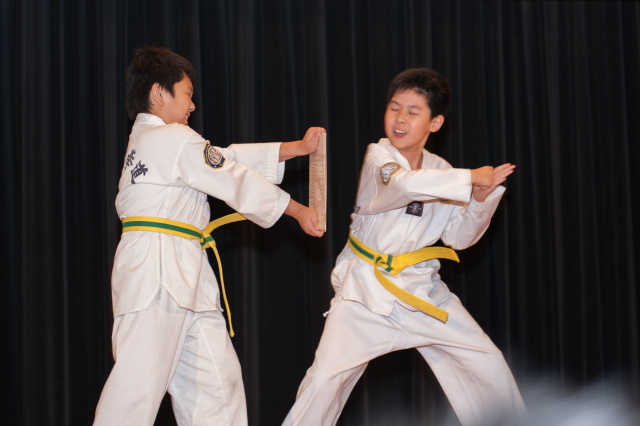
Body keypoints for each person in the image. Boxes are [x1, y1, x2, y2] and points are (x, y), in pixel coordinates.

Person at [94, 46, 324, 426]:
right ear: (159, 93)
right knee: (136, 390)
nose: (192, 105)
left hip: (183, 272)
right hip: (157, 272)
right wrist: (296, 210)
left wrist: (297, 149)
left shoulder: (158, 142)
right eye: (187, 94)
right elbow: (227, 173)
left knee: (218, 387)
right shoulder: (170, 139)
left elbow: (223, 159)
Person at [283, 68, 525, 426]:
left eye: (413, 112)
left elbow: (459, 238)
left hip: (421, 291)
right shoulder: (379, 158)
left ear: (435, 123)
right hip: (364, 293)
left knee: (488, 365)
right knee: (322, 383)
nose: (399, 119)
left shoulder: (442, 171)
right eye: (394, 108)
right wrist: (470, 177)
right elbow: (404, 185)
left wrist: (477, 199)